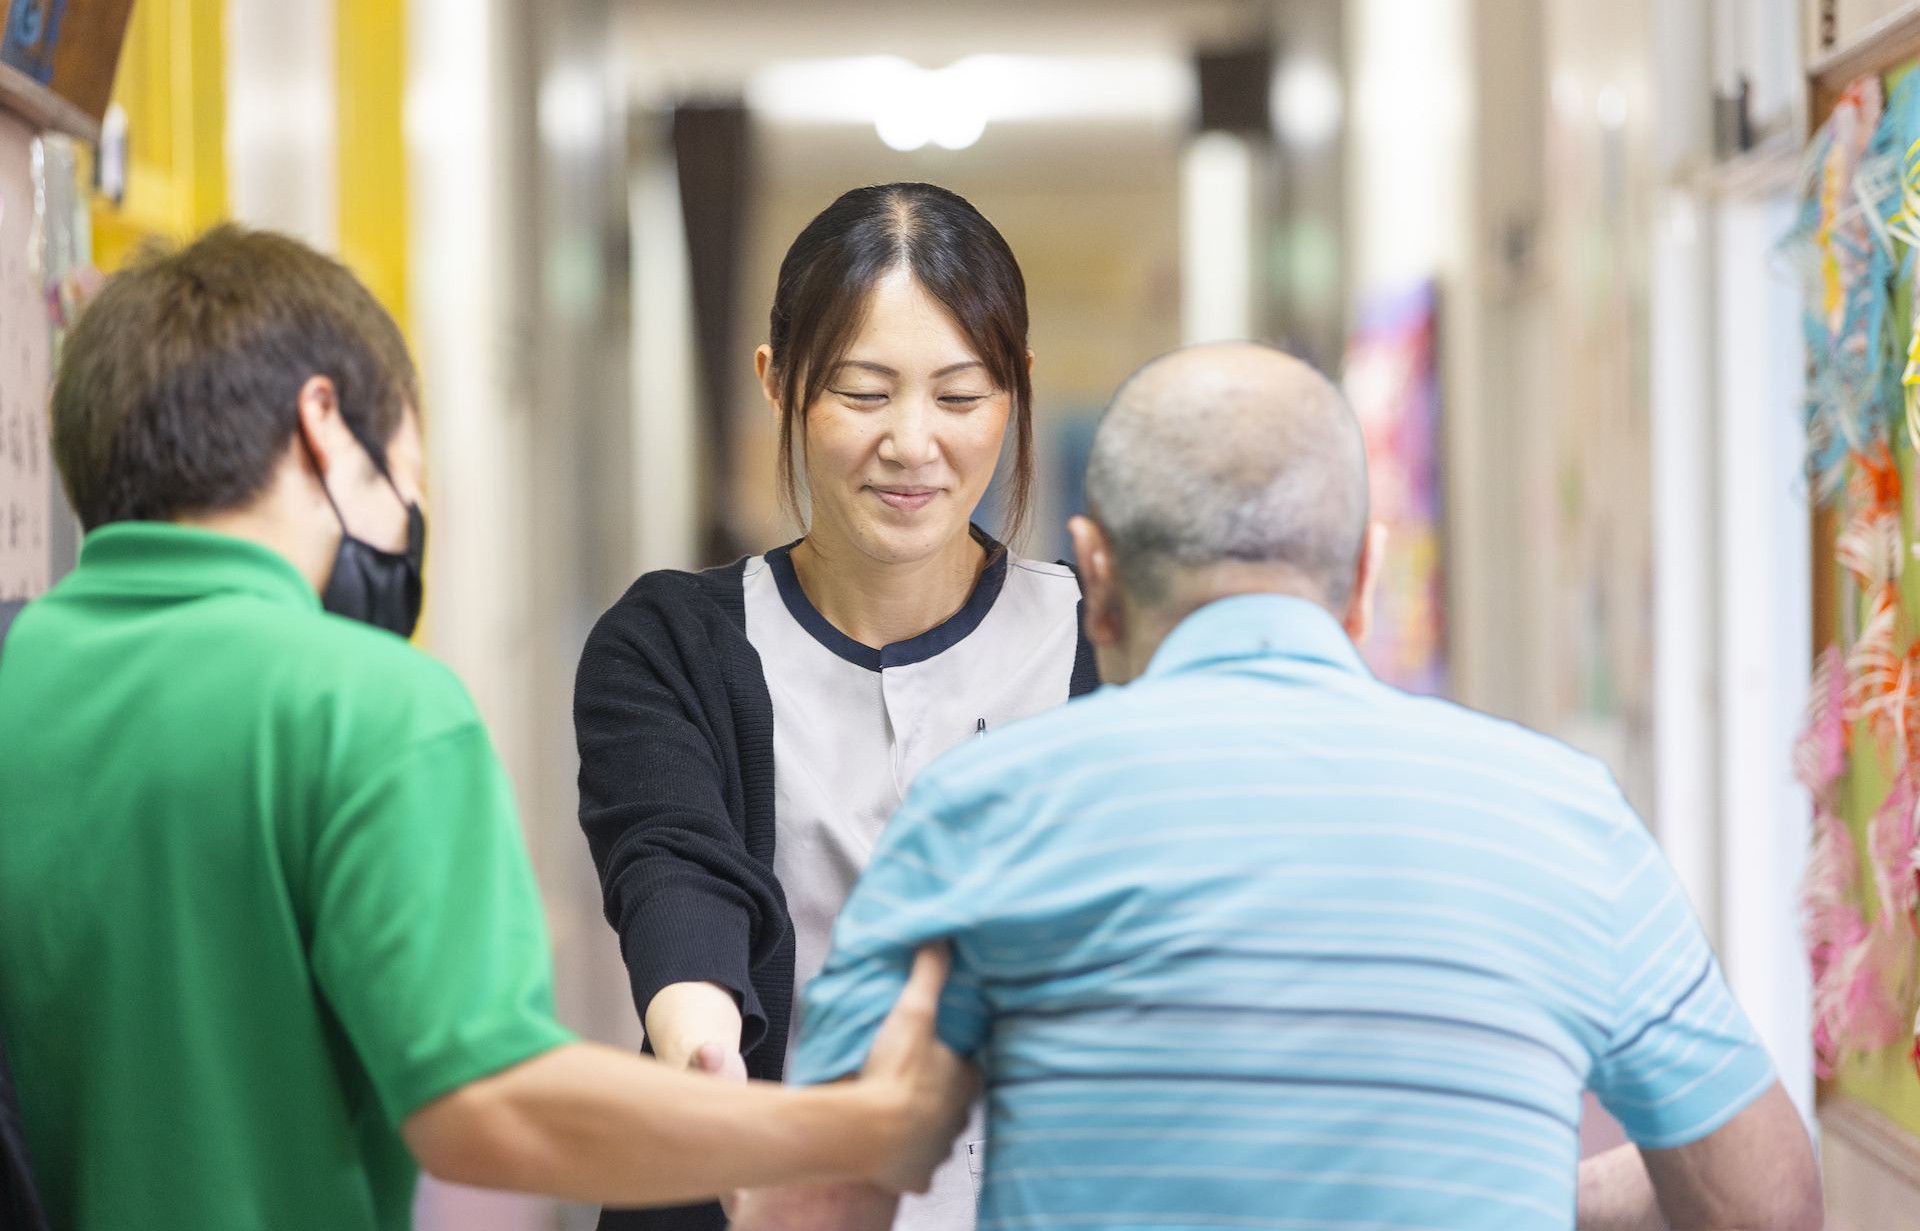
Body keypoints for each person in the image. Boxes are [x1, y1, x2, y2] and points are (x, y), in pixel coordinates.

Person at [0, 227, 974, 1231]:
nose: (409, 518)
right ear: (326, 425)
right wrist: (848, 1128)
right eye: (406, 477)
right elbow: (482, 1102)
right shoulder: (365, 703)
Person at [738, 342, 1823, 1231]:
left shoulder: (977, 811)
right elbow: (1768, 1203)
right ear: (1364, 576)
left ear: (1095, 574)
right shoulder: (1568, 814)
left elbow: (816, 1206)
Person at [576, 181, 1096, 1230]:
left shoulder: (1103, 647)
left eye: (960, 396)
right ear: (780, 383)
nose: (914, 443)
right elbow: (673, 874)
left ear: (1017, 391)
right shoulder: (674, 644)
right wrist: (710, 1073)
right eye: (864, 393)